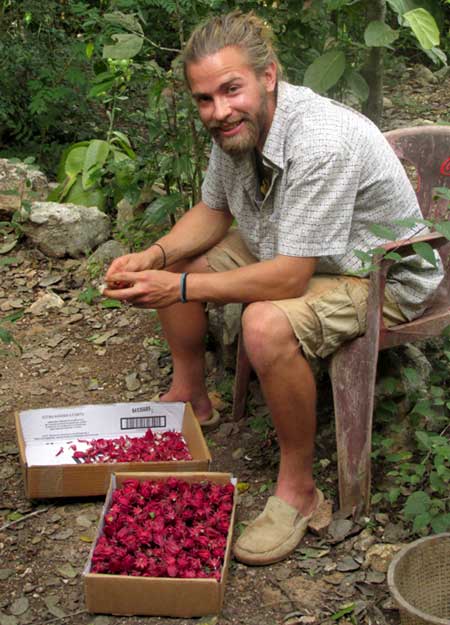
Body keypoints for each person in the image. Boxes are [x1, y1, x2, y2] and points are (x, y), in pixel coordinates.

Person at [104, 11, 443, 566]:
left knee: (264, 322)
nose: (218, 110)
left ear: (268, 77)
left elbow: (288, 278)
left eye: (230, 90)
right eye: (204, 99)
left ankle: (300, 490)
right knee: (180, 256)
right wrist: (156, 258)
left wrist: (181, 286)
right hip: (294, 243)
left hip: (375, 271)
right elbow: (213, 212)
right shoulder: (233, 126)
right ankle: (191, 394)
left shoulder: (320, 140)